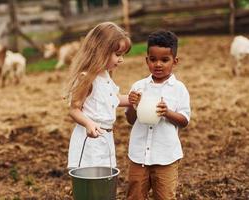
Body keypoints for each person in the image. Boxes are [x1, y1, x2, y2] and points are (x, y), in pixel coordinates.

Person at [126, 30, 191, 200]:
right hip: (139, 155)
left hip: (166, 157)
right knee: (135, 195)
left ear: (175, 61)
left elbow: (184, 120)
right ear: (146, 60)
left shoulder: (179, 89)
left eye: (164, 60)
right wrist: (134, 105)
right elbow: (130, 119)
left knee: (165, 196)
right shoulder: (139, 86)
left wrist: (167, 112)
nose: (158, 64)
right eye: (153, 59)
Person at [66, 22, 131, 169]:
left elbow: (114, 99)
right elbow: (74, 109)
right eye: (118, 55)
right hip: (88, 140)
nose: (121, 60)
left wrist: (134, 99)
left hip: (106, 138)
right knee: (89, 182)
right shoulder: (86, 77)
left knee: (104, 181)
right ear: (101, 51)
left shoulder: (106, 76)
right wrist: (88, 123)